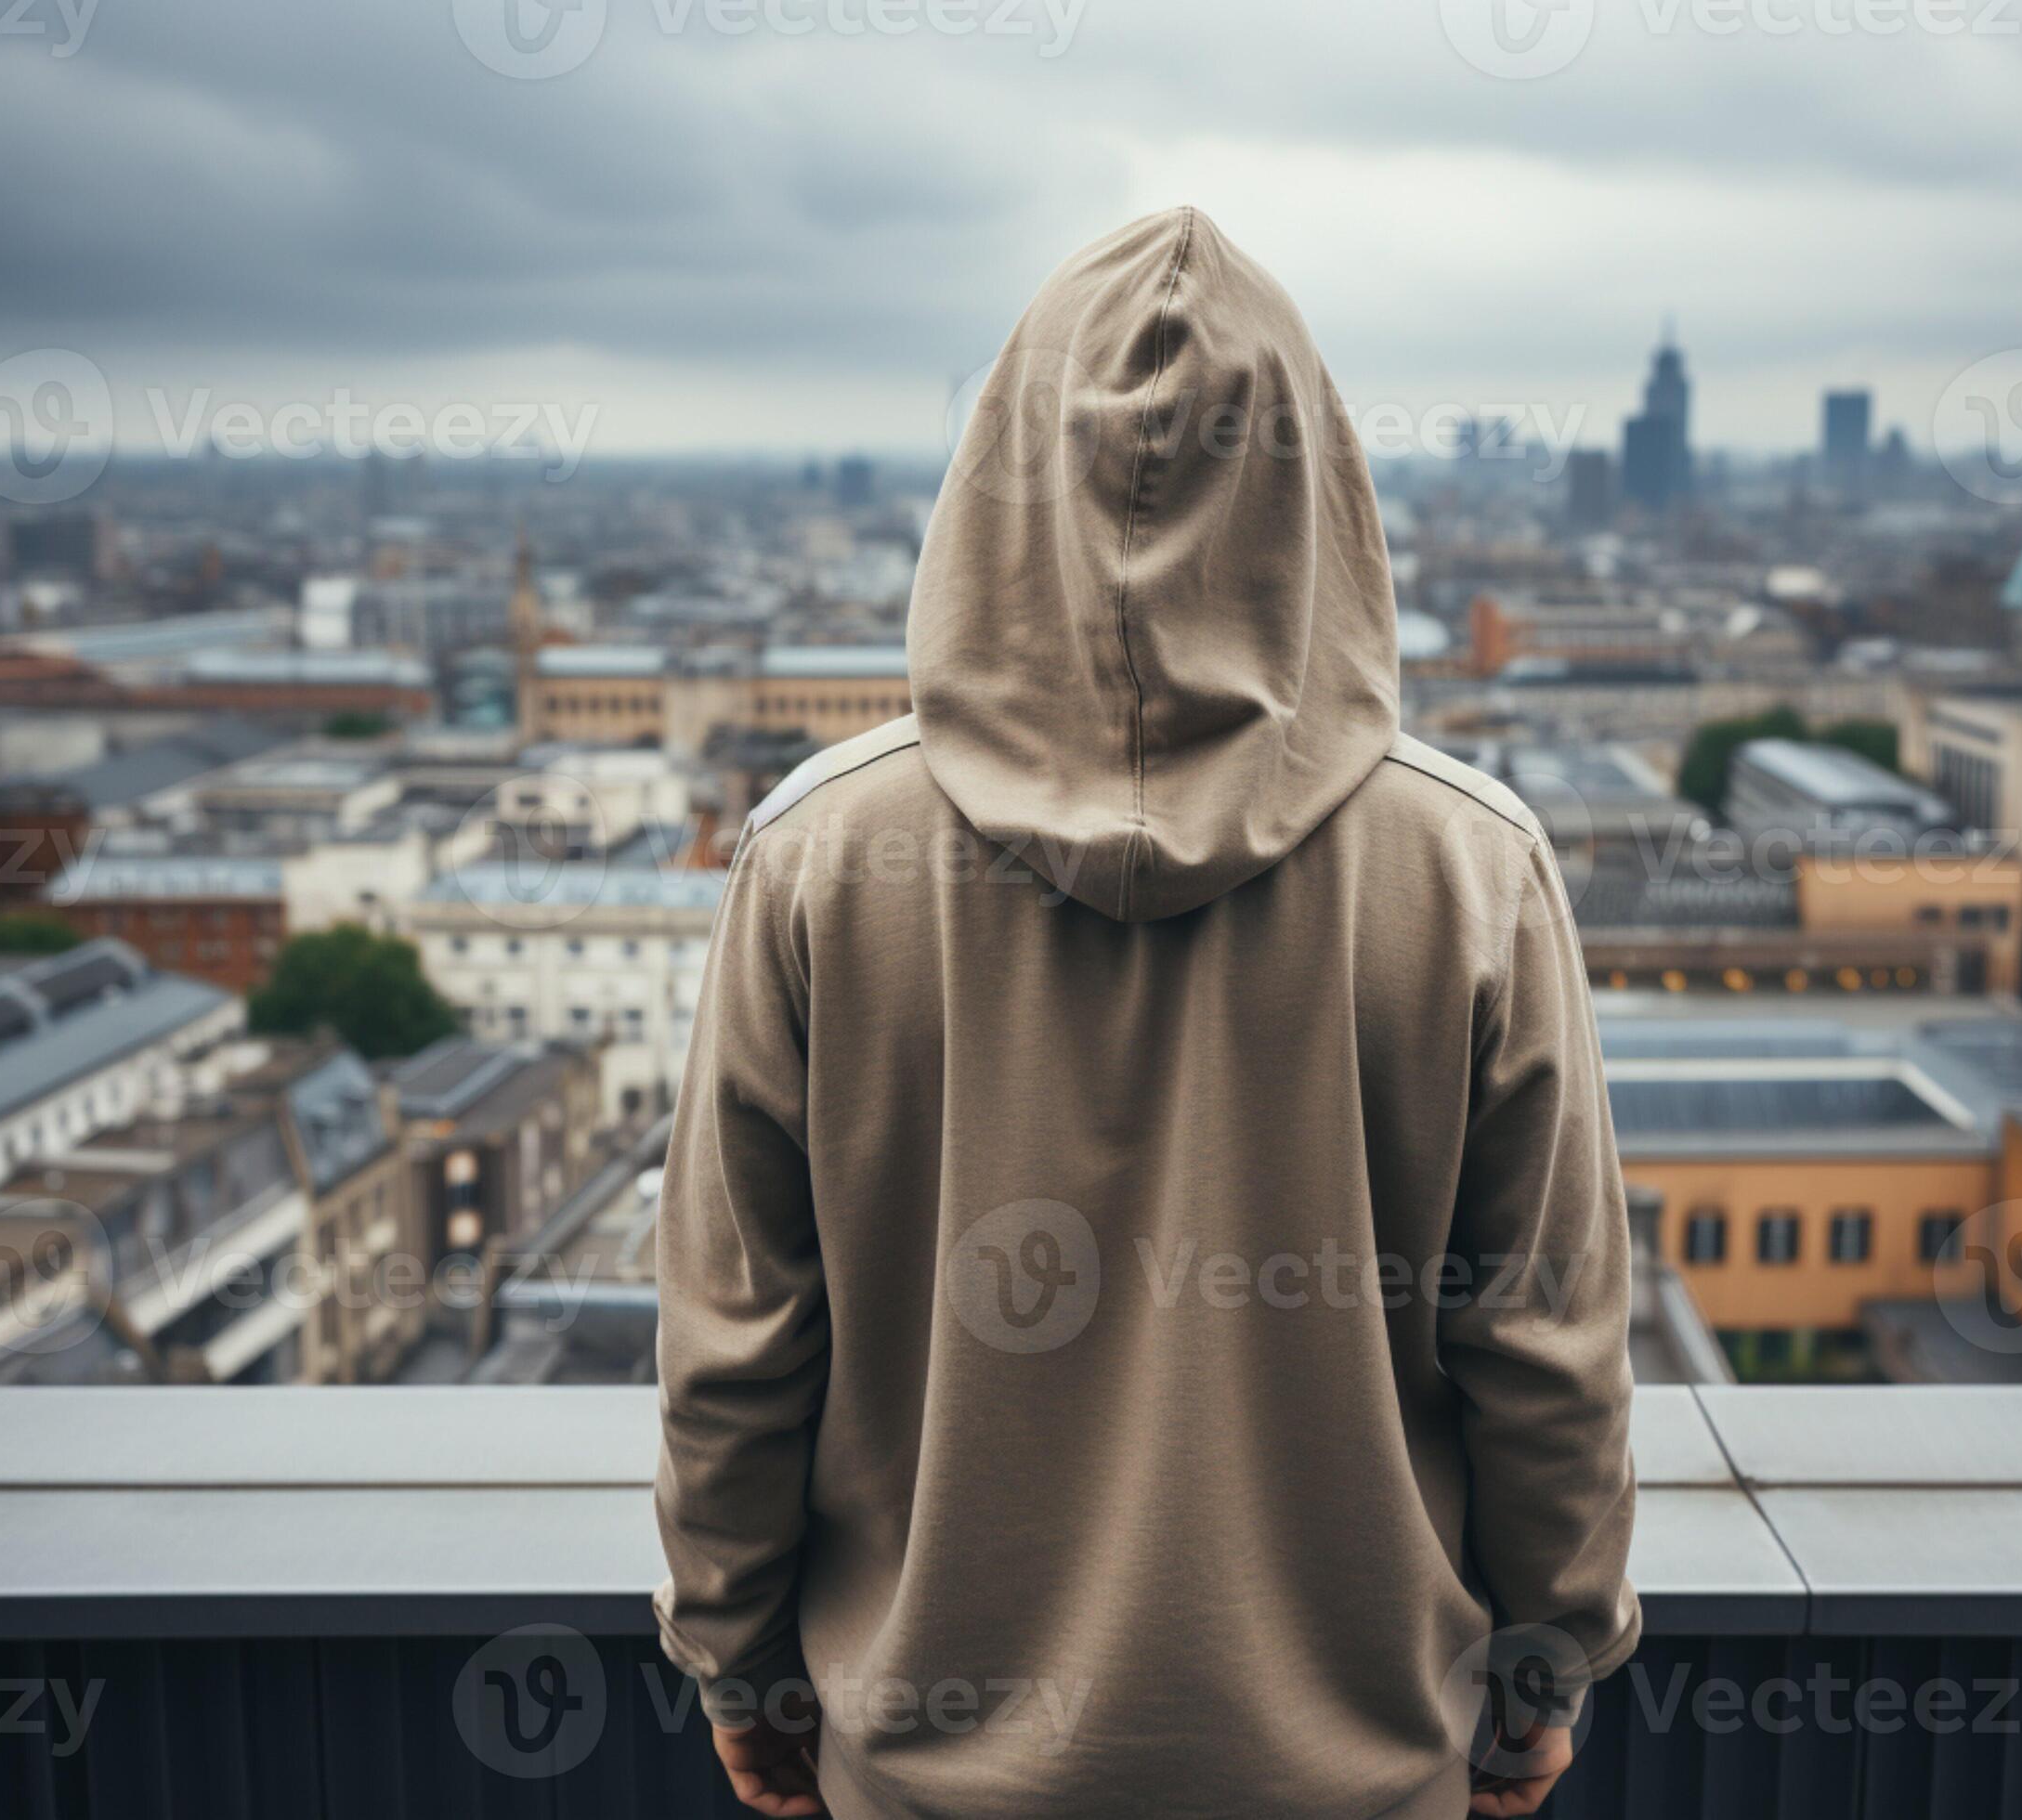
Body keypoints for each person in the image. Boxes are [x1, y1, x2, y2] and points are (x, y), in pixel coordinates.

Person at [655, 206, 1640, 1820]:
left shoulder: (816, 861)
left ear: (992, 476)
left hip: (923, 1775)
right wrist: (1544, 1674)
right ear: (1316, 486)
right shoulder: (1473, 872)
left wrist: (739, 1663)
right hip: (1357, 1768)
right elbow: (1545, 1361)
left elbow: (738, 1351)